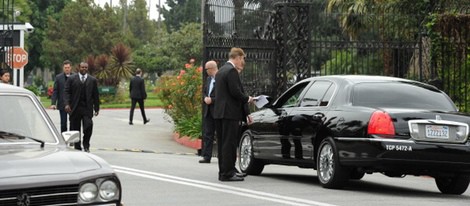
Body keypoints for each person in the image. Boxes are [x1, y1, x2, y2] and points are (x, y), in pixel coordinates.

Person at [214, 47, 254, 181]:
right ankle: (228, 173)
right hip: (229, 113)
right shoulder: (231, 71)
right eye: (242, 59)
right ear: (237, 57)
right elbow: (235, 92)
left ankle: (225, 170)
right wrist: (248, 99)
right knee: (229, 143)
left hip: (220, 112)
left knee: (223, 143)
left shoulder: (220, 71)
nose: (242, 62)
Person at [64, 62, 100, 152]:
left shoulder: (92, 80)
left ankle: (86, 145)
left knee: (88, 126)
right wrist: (67, 104)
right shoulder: (72, 79)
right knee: (75, 129)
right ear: (79, 68)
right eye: (82, 67)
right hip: (75, 108)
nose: (84, 69)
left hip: (87, 108)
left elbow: (96, 95)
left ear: (87, 68)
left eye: (86, 67)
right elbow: (67, 92)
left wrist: (96, 108)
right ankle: (77, 147)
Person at [199, 60, 218, 163]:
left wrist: (213, 100)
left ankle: (221, 156)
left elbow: (223, 95)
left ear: (211, 68)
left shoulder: (220, 79)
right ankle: (207, 156)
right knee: (207, 134)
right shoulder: (208, 79)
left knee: (220, 134)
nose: (206, 71)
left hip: (217, 110)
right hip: (208, 110)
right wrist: (205, 97)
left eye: (206, 69)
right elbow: (205, 92)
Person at [50, 60, 73, 132]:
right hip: (62, 104)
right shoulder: (58, 77)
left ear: (71, 68)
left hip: (72, 104)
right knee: (63, 123)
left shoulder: (75, 77)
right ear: (63, 68)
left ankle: (72, 139)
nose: (67, 69)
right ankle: (64, 138)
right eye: (65, 67)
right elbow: (55, 91)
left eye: (68, 67)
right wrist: (53, 103)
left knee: (73, 123)